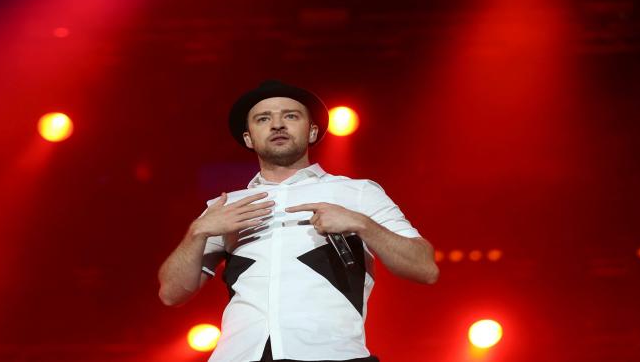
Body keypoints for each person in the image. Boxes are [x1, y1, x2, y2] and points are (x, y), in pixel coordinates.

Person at [158, 80, 439, 362]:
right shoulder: (225, 206)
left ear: (312, 131)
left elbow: (425, 268)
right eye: (263, 119)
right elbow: (171, 294)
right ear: (248, 138)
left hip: (331, 354)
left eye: (290, 116)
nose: (277, 125)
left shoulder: (357, 192)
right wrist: (197, 232)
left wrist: (361, 223)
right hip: (239, 355)